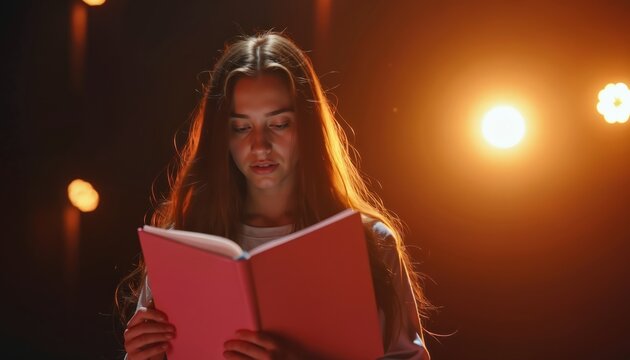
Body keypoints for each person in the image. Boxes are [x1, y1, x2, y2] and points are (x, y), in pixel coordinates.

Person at [117, 31, 432, 360]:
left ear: (307, 128)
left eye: (279, 124)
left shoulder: (368, 242)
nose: (259, 146)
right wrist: (139, 354)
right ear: (220, 137)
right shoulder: (180, 247)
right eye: (241, 127)